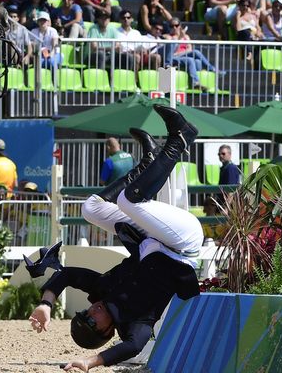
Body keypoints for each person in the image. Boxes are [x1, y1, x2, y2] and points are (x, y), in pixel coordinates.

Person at [28, 105, 202, 371]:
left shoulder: (102, 290)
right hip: (182, 243)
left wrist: (46, 303)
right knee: (129, 200)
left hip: (150, 239)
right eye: (91, 321)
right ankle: (180, 139)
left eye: (84, 314)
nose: (91, 311)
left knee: (91, 209)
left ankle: (148, 160)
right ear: (107, 332)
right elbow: (133, 347)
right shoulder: (136, 323)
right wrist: (91, 362)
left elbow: (68, 274)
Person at [163, 17, 220, 90]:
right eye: (172, 26)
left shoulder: (186, 36)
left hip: (182, 56)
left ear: (180, 26)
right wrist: (179, 39)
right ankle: (195, 82)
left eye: (176, 25)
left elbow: (190, 49)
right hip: (174, 57)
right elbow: (171, 52)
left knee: (197, 60)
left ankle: (210, 71)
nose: (174, 28)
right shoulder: (168, 37)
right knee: (190, 59)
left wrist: (182, 52)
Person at [6, 4, 34, 69]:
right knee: (12, 44)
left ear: (18, 18)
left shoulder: (23, 29)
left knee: (34, 55)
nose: (12, 18)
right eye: (11, 16)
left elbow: (29, 46)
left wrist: (27, 56)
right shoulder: (6, 30)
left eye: (14, 16)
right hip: (9, 55)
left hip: (21, 54)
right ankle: (17, 64)